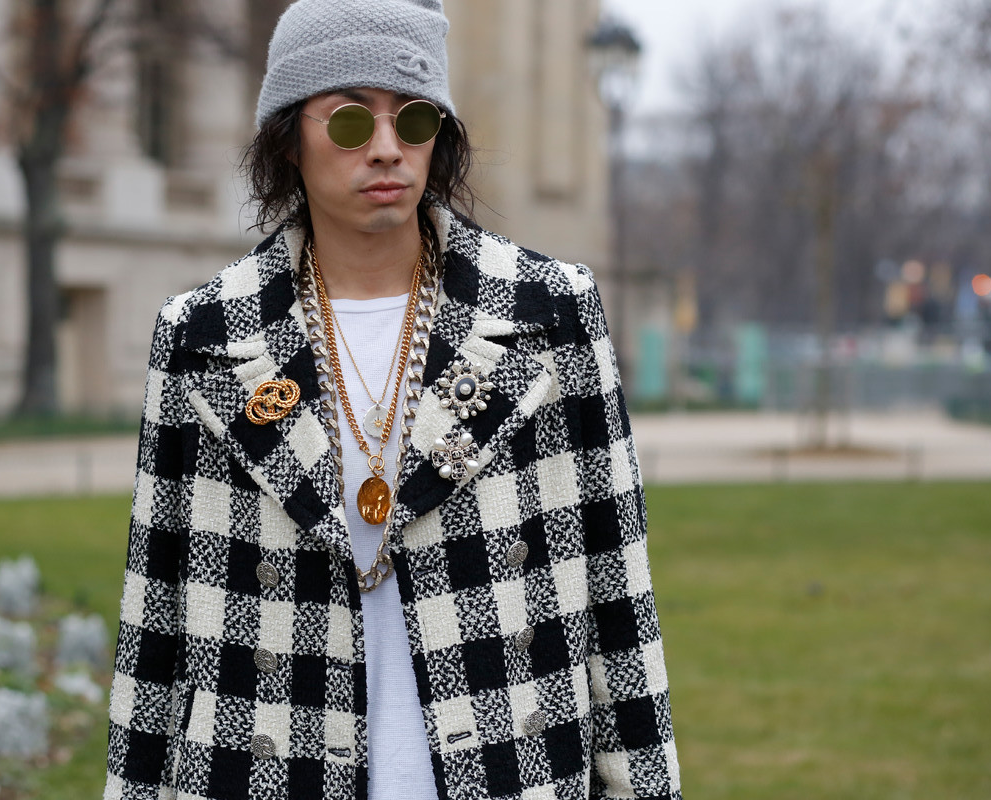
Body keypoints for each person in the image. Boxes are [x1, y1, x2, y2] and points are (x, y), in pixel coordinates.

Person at [103, 1, 681, 798]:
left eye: (412, 119)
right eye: (349, 122)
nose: (385, 148)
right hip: (263, 765)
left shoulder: (549, 311)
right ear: (288, 139)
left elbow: (618, 593)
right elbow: (156, 618)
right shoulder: (203, 332)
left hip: (508, 768)